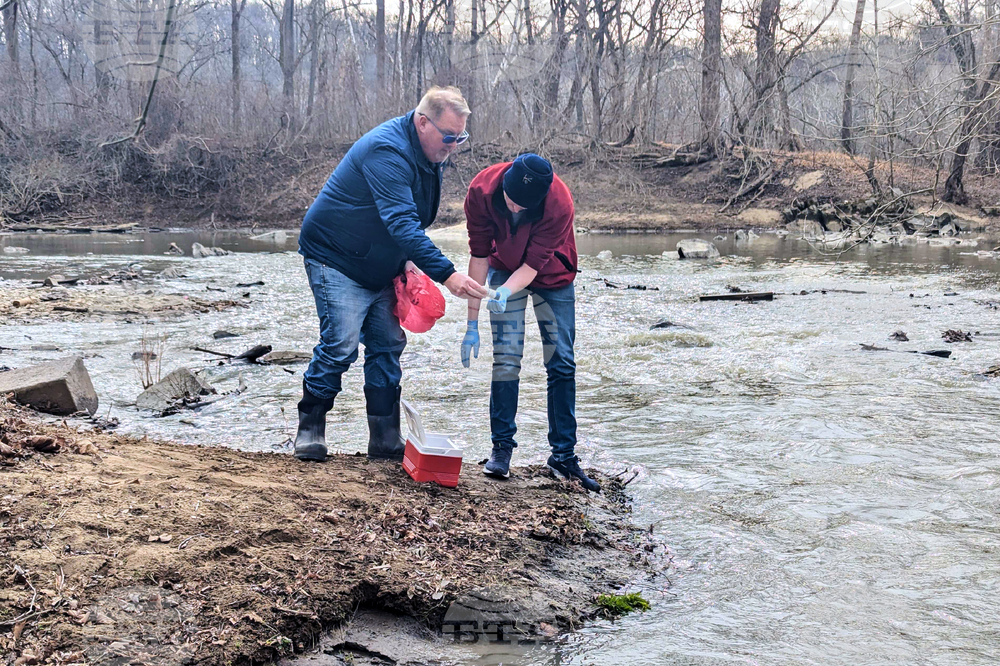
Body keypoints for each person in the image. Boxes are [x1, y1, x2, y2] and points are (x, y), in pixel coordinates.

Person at [295, 86, 488, 462]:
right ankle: (309, 429)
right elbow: (401, 222)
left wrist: (405, 259)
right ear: (422, 121)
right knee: (340, 344)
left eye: (460, 137)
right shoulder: (387, 150)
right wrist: (448, 275)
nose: (453, 145)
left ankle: (384, 438)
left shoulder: (431, 150)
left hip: (380, 260)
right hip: (334, 256)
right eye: (449, 136)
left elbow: (409, 217)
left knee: (387, 344)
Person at [461, 154, 600, 492]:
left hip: (553, 276)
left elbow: (534, 266)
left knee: (562, 362)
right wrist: (471, 323)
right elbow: (479, 256)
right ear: (504, 184)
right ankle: (501, 449)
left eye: (526, 208)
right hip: (502, 265)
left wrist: (506, 292)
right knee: (507, 358)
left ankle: (563, 455)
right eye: (512, 203)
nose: (517, 211)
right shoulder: (480, 190)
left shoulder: (559, 202)